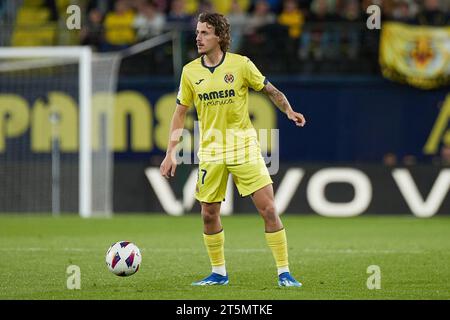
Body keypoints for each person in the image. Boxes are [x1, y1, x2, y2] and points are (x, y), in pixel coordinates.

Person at [160, 12, 306, 287]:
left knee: (269, 209)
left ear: (219, 36)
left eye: (204, 33)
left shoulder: (241, 65)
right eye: (197, 33)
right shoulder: (190, 71)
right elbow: (179, 113)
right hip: (211, 151)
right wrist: (171, 152)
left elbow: (271, 90)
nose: (198, 37)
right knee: (208, 214)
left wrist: (288, 110)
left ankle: (284, 272)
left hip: (243, 147)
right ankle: (218, 273)